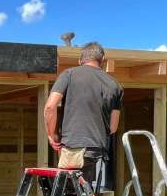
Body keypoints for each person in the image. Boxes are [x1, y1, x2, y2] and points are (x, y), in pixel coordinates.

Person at [45, 41, 123, 186]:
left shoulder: (69, 74)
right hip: (96, 150)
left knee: (70, 194)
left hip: (73, 148)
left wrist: (51, 135)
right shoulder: (115, 85)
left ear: (80, 60)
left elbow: (50, 107)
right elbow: (113, 127)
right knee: (84, 193)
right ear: (102, 61)